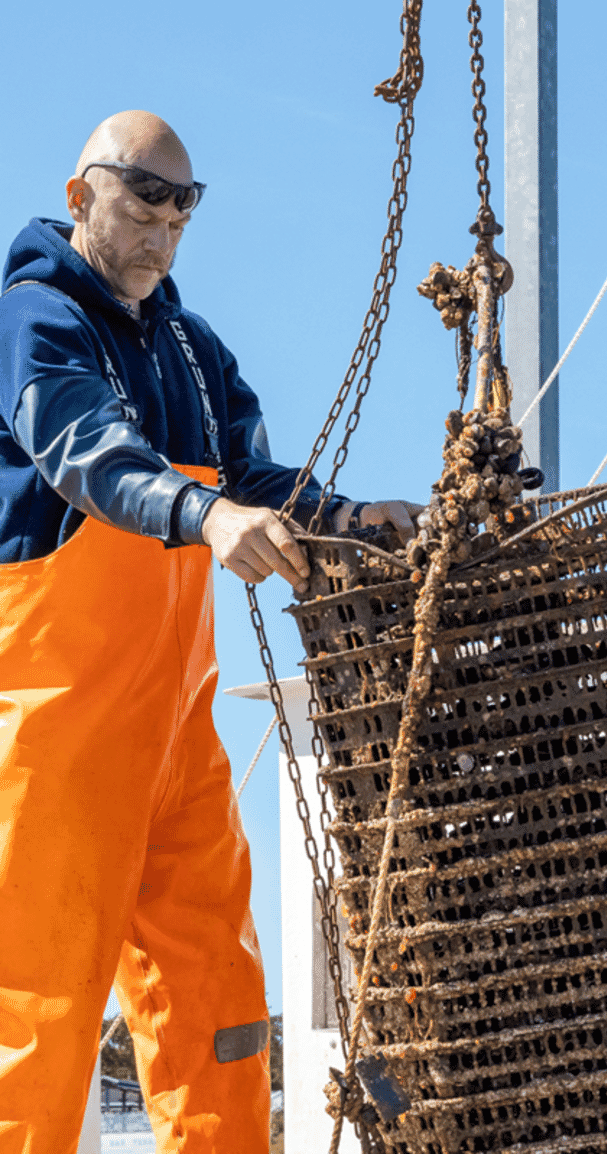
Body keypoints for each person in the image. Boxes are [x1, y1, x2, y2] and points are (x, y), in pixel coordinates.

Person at [0, 110, 420, 1154]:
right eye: (145, 195)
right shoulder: (35, 321)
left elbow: (259, 476)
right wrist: (205, 514)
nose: (165, 225)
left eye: (184, 206)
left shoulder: (190, 348)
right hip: (56, 738)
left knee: (216, 1001)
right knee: (35, 1015)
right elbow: (86, 451)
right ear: (80, 192)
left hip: (177, 736)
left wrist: (357, 516)